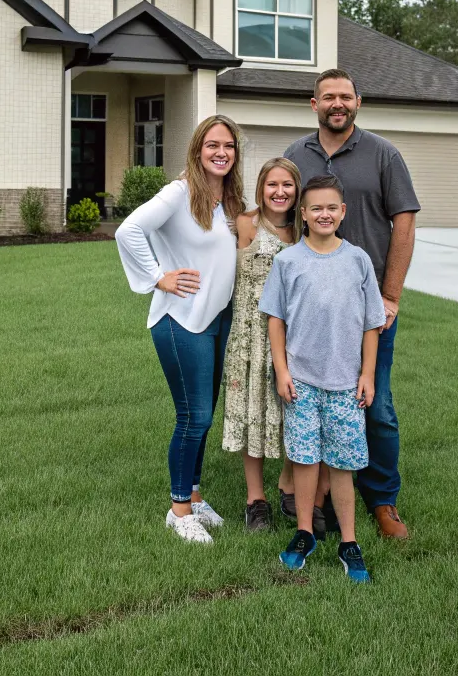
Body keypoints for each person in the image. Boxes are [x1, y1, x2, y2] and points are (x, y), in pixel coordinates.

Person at [283, 68, 420, 539]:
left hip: (367, 311)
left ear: (357, 102)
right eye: (328, 97)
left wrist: (391, 295)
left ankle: (382, 500)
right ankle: (312, 499)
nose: (336, 104)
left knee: (374, 403)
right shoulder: (295, 155)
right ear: (314, 103)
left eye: (345, 96)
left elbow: (404, 224)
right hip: (310, 311)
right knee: (310, 402)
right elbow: (279, 218)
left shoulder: (384, 154)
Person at [115, 115, 245, 544]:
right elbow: (128, 229)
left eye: (228, 145)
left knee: (204, 415)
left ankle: (193, 493)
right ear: (197, 149)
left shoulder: (229, 199)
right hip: (180, 320)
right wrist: (158, 276)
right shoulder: (180, 191)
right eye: (212, 144)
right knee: (195, 416)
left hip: (216, 320)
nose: (220, 152)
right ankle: (178, 509)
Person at [260, 174, 385, 580]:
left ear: (343, 212)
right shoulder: (288, 261)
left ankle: (349, 541)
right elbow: (275, 320)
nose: (324, 214)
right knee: (304, 459)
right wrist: (282, 371)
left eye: (332, 207)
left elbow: (371, 324)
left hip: (346, 385)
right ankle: (304, 534)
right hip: (301, 383)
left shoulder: (358, 260)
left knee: (343, 466)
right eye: (316, 208)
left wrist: (367, 374)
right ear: (304, 214)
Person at [221, 157, 303, 532]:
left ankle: (288, 484)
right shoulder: (245, 224)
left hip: (296, 336)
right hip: (250, 336)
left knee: (295, 412)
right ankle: (256, 500)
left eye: (287, 185)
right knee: (252, 411)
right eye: (272, 184)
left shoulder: (304, 231)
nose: (280, 192)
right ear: (261, 188)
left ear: (297, 190)